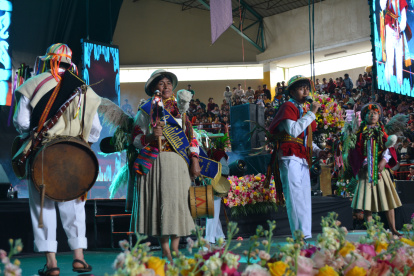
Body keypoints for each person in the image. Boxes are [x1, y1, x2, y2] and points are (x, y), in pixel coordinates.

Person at [13, 43, 101, 275]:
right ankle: (79, 258)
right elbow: (95, 130)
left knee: (42, 206)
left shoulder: (33, 84)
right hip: (76, 154)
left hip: (44, 154)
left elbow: (21, 123)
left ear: (49, 60)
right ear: (68, 63)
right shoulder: (85, 89)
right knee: (75, 206)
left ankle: (51, 264)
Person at [122, 70, 199, 262]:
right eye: (161, 83)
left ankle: (174, 247)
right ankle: (165, 249)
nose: (166, 87)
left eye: (168, 83)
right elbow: (136, 139)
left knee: (178, 204)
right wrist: (149, 137)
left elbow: (191, 138)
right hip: (156, 162)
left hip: (179, 163)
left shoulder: (181, 110)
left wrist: (195, 160)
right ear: (154, 88)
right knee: (161, 204)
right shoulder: (146, 110)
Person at [268, 75, 328, 240]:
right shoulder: (287, 106)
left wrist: (317, 151)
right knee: (294, 196)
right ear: (292, 91)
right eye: (302, 88)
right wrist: (312, 113)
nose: (306, 91)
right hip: (288, 157)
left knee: (304, 197)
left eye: (307, 88)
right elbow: (293, 131)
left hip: (302, 157)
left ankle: (306, 235)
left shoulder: (304, 110)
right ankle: (298, 235)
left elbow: (305, 137)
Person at [348, 103, 402, 236]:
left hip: (380, 170)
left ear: (379, 116)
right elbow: (356, 151)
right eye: (369, 113)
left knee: (388, 200)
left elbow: (388, 148)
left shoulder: (382, 132)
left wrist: (383, 161)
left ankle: (393, 229)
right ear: (364, 116)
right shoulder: (360, 134)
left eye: (375, 113)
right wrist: (366, 163)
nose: (372, 115)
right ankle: (371, 230)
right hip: (366, 170)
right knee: (368, 201)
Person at [380, 0, 410, 86]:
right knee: (390, 58)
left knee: (398, 59)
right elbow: (382, 7)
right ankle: (388, 82)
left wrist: (399, 29)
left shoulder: (401, 1)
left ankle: (399, 84)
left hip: (398, 31)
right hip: (389, 30)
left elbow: (403, 18)